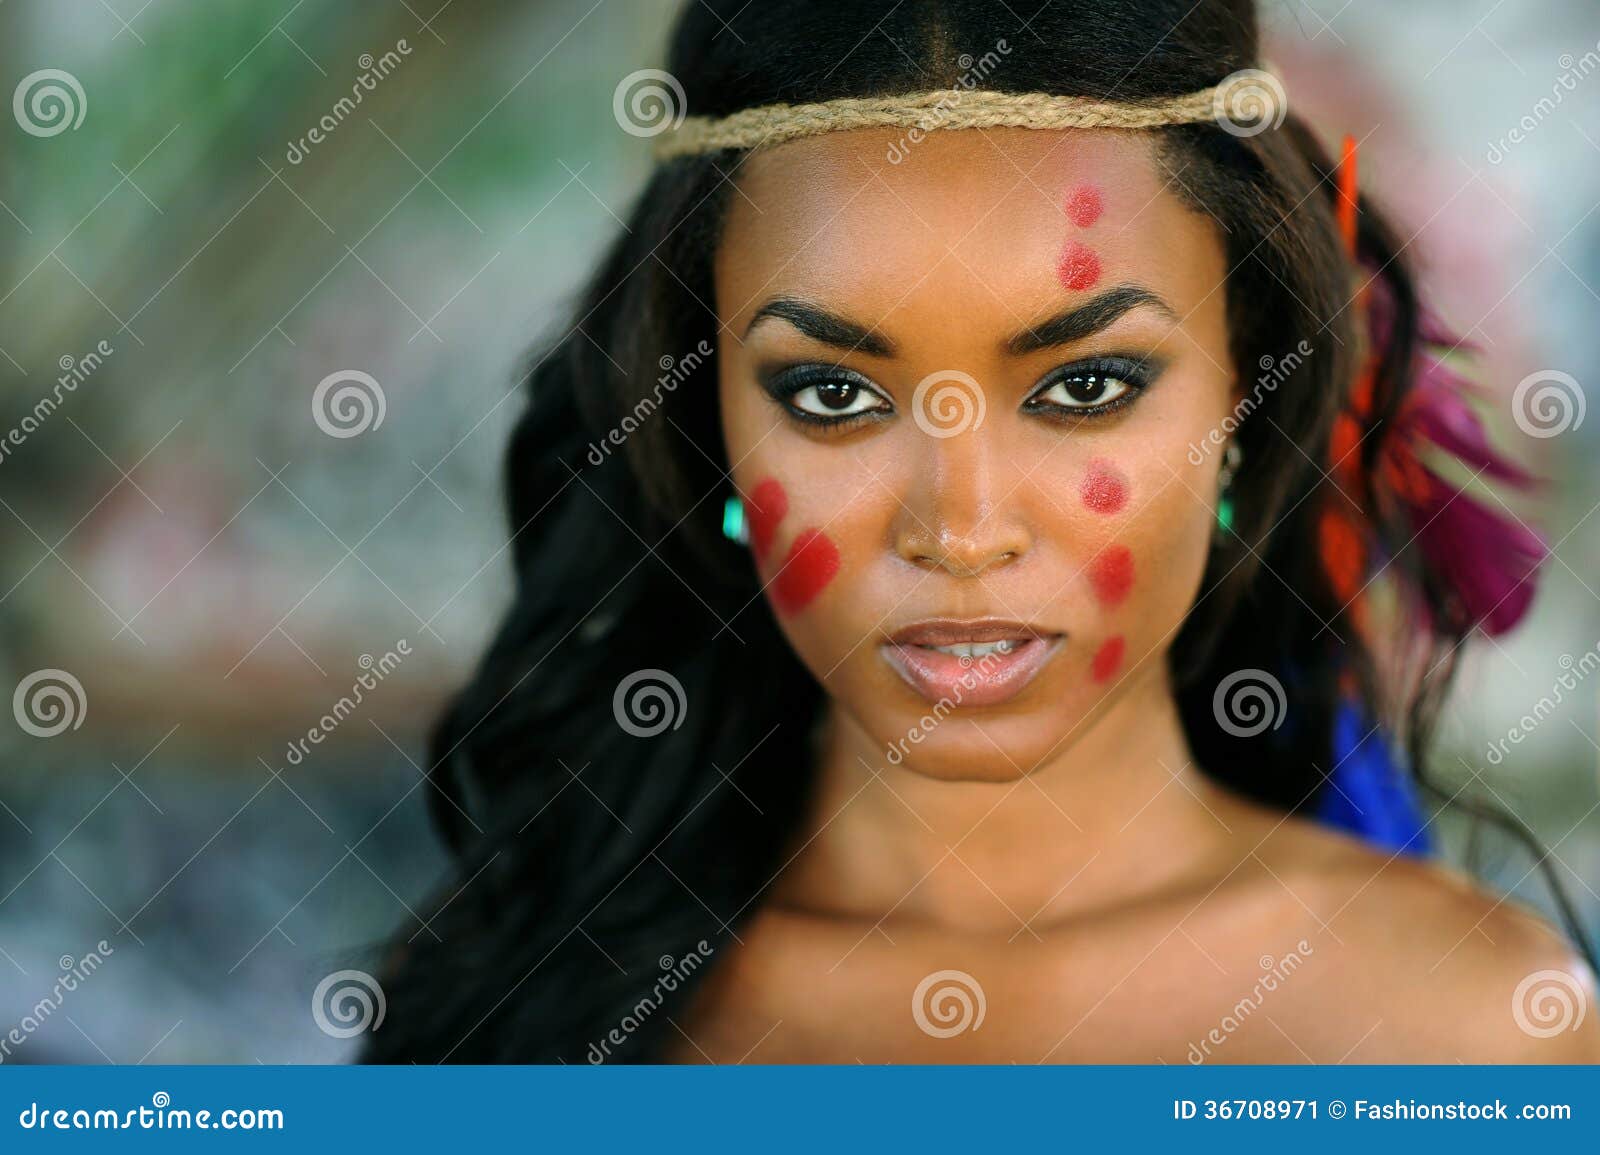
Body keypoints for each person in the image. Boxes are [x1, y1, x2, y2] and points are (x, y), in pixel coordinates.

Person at [364, 0, 1600, 1064]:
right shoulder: (522, 1017)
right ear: (705, 424)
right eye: (833, 395)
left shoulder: (1472, 1030)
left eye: (1086, 387)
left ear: (1244, 396)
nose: (960, 529)